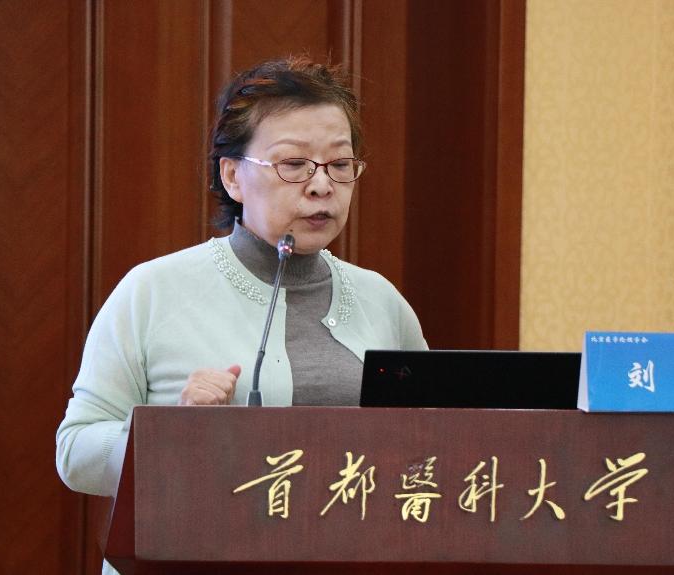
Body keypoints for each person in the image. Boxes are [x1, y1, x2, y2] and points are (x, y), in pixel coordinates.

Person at [55, 57, 428, 503]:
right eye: (294, 163)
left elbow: (432, 442)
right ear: (232, 176)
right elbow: (76, 452)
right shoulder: (153, 290)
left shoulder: (380, 299)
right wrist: (172, 433)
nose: (321, 185)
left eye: (340, 164)